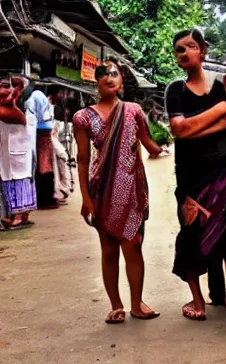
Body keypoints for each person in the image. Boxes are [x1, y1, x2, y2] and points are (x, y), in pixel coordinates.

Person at [165, 28, 226, 321]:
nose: (183, 52)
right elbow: (179, 128)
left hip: (223, 170)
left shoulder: (220, 86)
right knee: (191, 236)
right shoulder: (175, 89)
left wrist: (192, 129)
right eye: (178, 49)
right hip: (191, 177)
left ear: (202, 49)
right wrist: (220, 112)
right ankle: (198, 303)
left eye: (189, 46)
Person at [73, 60, 163, 324]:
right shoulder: (83, 117)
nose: (108, 78)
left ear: (121, 80)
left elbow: (148, 144)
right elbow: (81, 158)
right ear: (95, 82)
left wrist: (171, 145)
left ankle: (137, 303)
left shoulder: (133, 111)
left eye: (113, 74)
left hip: (132, 188)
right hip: (101, 189)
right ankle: (116, 305)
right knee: (109, 248)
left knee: (133, 246)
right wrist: (85, 198)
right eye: (102, 75)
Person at [0, 75, 37, 230]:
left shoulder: (20, 115)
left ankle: (20, 216)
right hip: (8, 156)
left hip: (20, 156)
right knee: (10, 183)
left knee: (20, 183)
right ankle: (14, 215)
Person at [25, 79, 56, 209]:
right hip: (45, 134)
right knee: (45, 165)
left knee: (41, 166)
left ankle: (43, 199)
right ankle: (47, 198)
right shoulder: (42, 97)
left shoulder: (35, 96)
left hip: (39, 134)